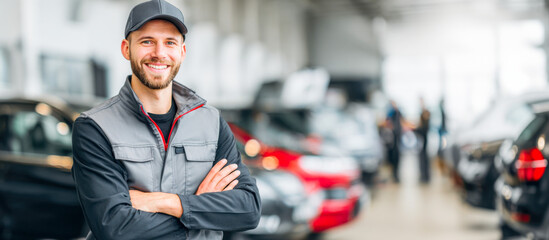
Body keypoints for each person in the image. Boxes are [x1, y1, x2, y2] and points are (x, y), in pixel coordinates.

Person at [71, 1, 260, 239]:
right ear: (126, 48)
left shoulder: (210, 122)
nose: (159, 53)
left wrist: (167, 203)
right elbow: (114, 228)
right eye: (147, 41)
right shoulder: (95, 127)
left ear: (182, 51)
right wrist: (202, 208)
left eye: (170, 42)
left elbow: (248, 209)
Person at [385, 100, 404, 183]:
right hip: (391, 141)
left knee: (397, 158)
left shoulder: (398, 113)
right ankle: (393, 175)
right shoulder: (390, 113)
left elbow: (402, 121)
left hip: (397, 139)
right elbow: (387, 121)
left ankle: (396, 175)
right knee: (392, 158)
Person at [416, 97, 431, 183]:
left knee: (424, 158)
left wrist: (417, 129)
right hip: (422, 138)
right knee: (422, 159)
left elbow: (424, 128)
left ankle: (425, 177)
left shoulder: (426, 113)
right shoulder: (421, 113)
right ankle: (423, 176)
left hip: (424, 139)